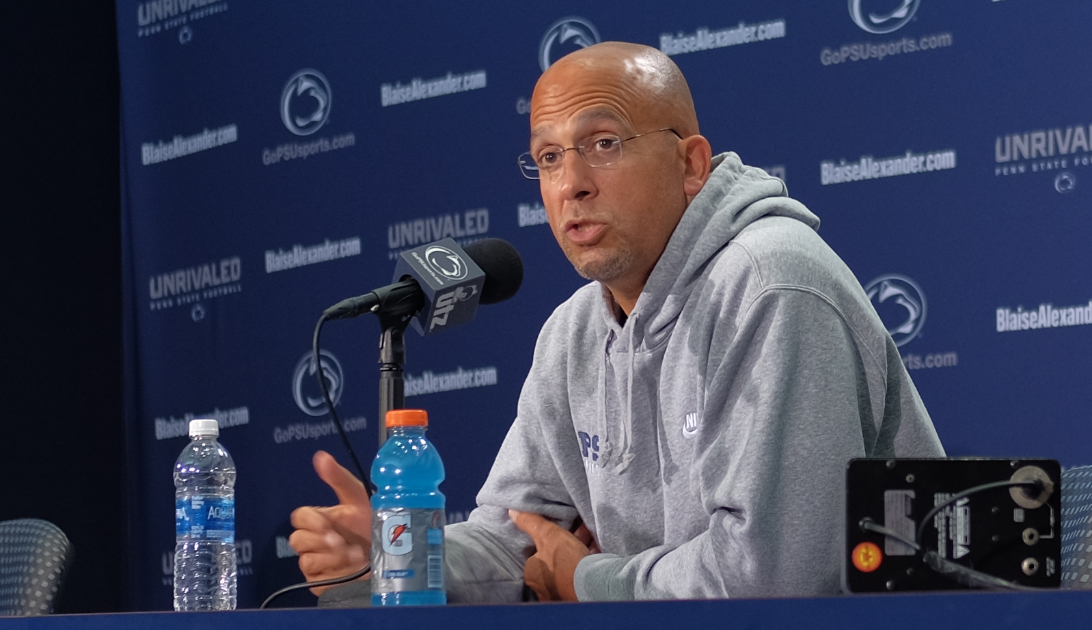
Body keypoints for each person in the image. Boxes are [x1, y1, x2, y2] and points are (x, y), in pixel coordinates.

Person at [289, 41, 944, 603]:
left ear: (690, 164)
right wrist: (397, 556)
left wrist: (588, 579)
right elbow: (513, 537)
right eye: (548, 158)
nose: (571, 182)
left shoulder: (771, 284)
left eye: (603, 143)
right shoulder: (574, 332)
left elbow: (772, 578)